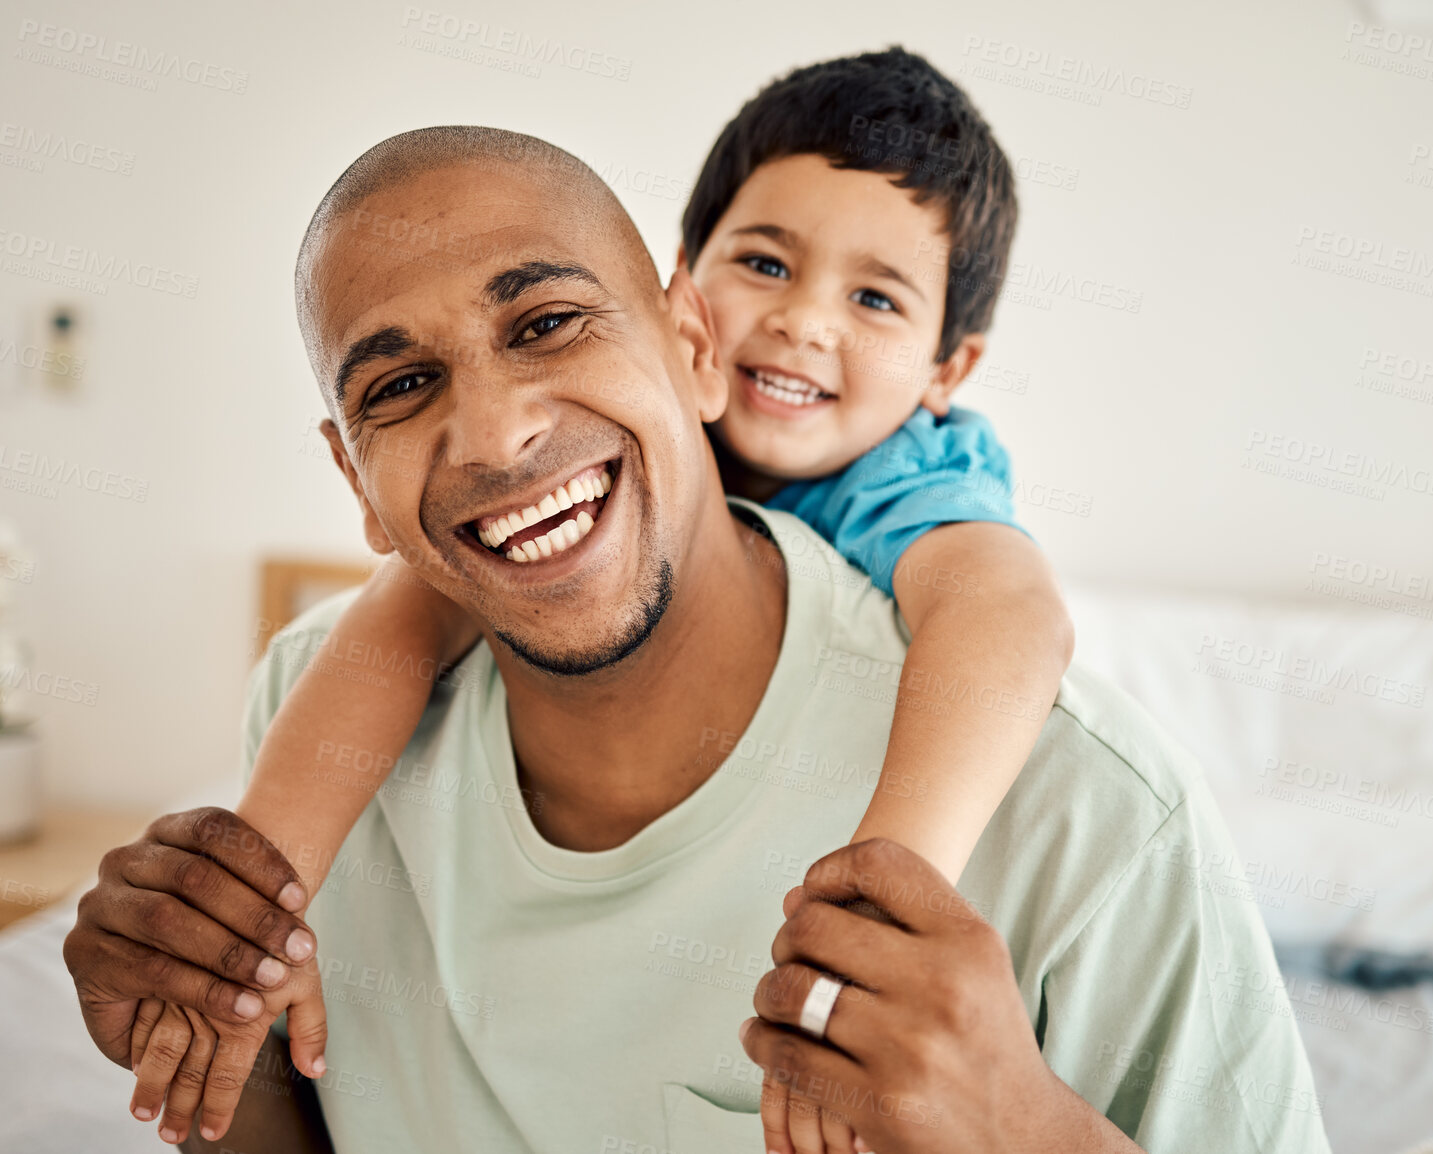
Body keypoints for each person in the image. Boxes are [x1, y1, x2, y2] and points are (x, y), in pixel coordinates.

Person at [64, 122, 1333, 1153]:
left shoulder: (1083, 806)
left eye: (550, 320)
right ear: (355, 480)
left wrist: (1021, 1132)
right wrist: (203, 1035)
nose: (498, 436)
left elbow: (1009, 608)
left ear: (688, 341)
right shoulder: (315, 724)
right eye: (402, 386)